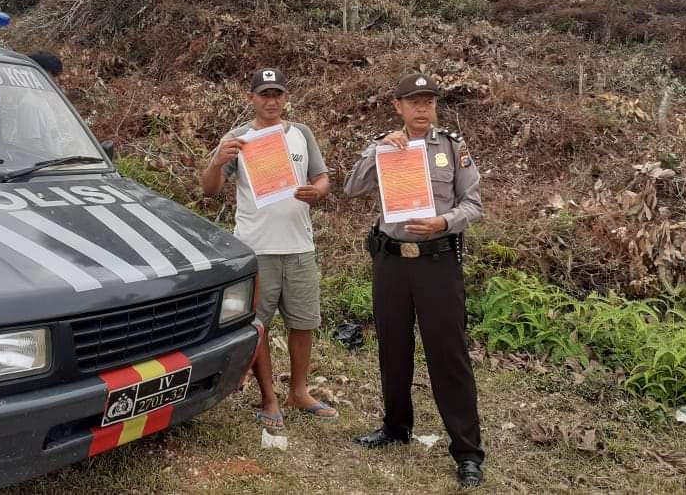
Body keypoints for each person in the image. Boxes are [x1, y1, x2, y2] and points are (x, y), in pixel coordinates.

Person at [344, 72, 485, 490]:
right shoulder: (386, 148)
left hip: (436, 263)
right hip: (391, 263)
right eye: (414, 102)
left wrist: (445, 220)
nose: (423, 109)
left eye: (429, 101)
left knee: (449, 356)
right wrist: (376, 150)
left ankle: (467, 452)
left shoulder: (452, 149)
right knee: (393, 347)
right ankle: (395, 426)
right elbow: (351, 189)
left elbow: (473, 203)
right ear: (398, 107)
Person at [201, 68, 336, 429]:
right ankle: (269, 397)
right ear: (252, 98)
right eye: (264, 94)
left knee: (304, 322)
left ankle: (300, 391)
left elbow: (321, 176)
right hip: (256, 248)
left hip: (299, 245)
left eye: (277, 93)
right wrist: (216, 161)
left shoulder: (301, 134)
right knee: (258, 326)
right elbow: (209, 190)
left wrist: (319, 190)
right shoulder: (238, 138)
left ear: (286, 96)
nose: (272, 101)